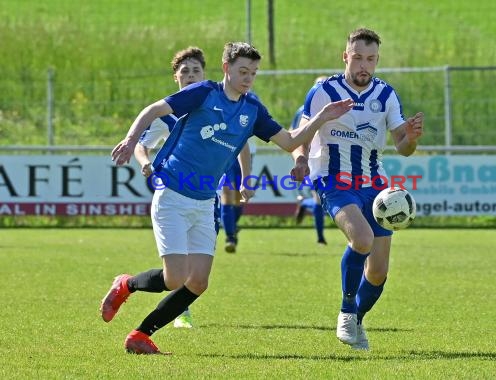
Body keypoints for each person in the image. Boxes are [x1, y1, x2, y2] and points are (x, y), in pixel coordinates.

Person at [105, 41, 354, 354]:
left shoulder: (252, 110)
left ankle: (140, 335)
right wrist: (130, 141)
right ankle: (126, 284)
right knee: (174, 278)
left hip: (206, 201)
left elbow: (290, 142)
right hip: (172, 193)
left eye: (253, 72)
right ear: (226, 69)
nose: (248, 78)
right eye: (242, 71)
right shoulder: (203, 93)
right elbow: (154, 110)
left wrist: (321, 117)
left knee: (197, 282)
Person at [290, 28, 424, 351]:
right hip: (333, 181)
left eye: (371, 59)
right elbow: (302, 134)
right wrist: (300, 160)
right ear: (345, 56)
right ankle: (347, 311)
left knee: (377, 272)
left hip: (375, 186)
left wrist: (412, 138)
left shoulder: (386, 95)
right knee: (361, 239)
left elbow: (402, 147)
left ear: (377, 60)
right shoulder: (324, 91)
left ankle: (357, 318)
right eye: (358, 57)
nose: (364, 65)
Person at [129, 46, 206, 330]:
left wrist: (243, 178)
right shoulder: (168, 115)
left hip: (208, 196)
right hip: (176, 192)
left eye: (195, 70)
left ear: (205, 75)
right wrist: (144, 162)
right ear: (176, 77)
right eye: (184, 71)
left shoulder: (219, 108)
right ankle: (180, 311)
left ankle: (177, 307)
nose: (190, 75)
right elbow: (142, 145)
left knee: (198, 271)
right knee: (179, 266)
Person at [290, 76, 329, 245]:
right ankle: (320, 238)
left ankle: (304, 205)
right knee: (319, 199)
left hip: (329, 158)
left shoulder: (333, 108)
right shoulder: (303, 110)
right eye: (318, 85)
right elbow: (292, 130)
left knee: (324, 199)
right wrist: (300, 154)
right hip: (311, 158)